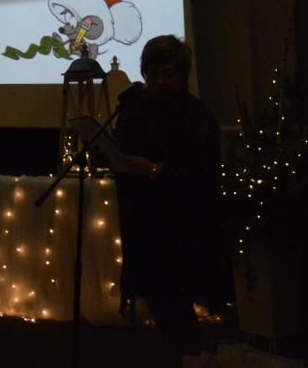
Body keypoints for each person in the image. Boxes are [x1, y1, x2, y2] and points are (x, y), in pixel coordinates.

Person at [113, 35, 227, 367]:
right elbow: (123, 150)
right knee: (159, 302)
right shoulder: (134, 109)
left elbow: (204, 174)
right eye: (153, 73)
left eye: (168, 74)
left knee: (175, 305)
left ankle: (190, 358)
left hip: (181, 227)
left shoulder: (195, 116)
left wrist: (156, 170)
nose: (160, 81)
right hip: (142, 223)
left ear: (182, 75)